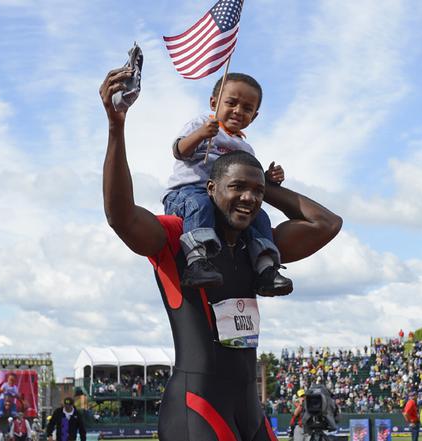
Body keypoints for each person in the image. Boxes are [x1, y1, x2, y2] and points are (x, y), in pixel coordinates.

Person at [100, 64, 341, 441]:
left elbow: (327, 224)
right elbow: (121, 216)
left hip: (249, 410)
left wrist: (263, 185)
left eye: (255, 192)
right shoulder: (178, 236)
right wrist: (117, 128)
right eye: (237, 189)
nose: (249, 198)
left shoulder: (258, 246)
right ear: (211, 187)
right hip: (198, 408)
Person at [163, 72, 291, 296]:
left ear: (255, 115)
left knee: (259, 216)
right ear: (214, 103)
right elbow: (179, 151)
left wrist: (269, 178)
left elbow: (250, 179)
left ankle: (266, 268)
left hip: (222, 202)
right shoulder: (202, 123)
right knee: (200, 203)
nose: (238, 111)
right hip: (187, 194)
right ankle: (197, 261)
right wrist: (201, 134)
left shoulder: (244, 148)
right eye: (231, 103)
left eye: (247, 108)